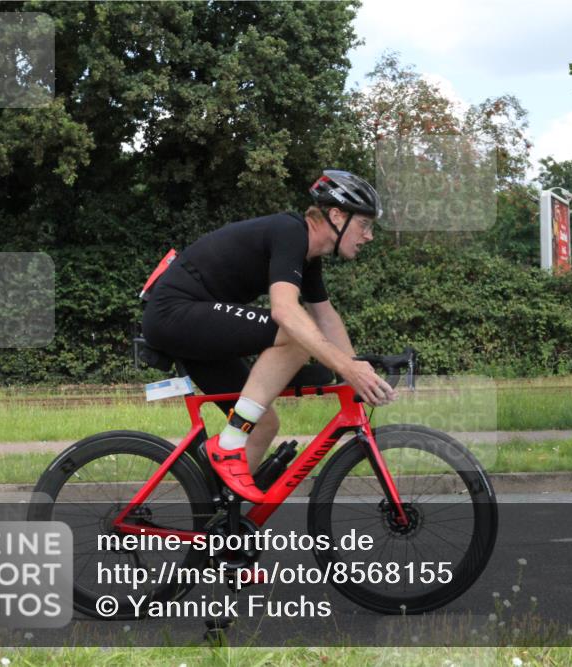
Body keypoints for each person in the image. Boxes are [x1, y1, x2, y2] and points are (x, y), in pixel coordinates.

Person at [141, 170, 398, 503]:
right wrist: (347, 370)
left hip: (195, 324)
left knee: (263, 424)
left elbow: (326, 317)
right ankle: (228, 445)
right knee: (293, 335)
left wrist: (356, 370)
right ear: (336, 215)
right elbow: (285, 313)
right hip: (174, 312)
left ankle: (219, 526)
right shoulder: (290, 232)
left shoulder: (309, 259)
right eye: (364, 225)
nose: (369, 236)